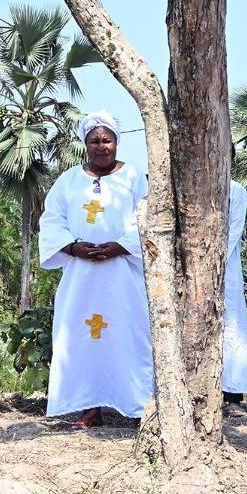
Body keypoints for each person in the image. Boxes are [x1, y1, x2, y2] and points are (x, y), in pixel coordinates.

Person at [37, 112, 154, 427]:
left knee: (128, 335)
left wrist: (121, 245)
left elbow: (148, 218)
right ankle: (89, 406)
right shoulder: (69, 180)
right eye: (94, 141)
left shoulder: (134, 178)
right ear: (85, 144)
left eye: (107, 140)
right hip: (81, 276)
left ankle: (137, 405)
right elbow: (51, 219)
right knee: (81, 337)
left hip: (123, 272)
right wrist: (73, 247)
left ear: (117, 142)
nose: (101, 146)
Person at [223, 165, 247, 411]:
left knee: (231, 329)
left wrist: (211, 257)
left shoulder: (236, 191)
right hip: (192, 268)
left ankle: (233, 396)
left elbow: (233, 231)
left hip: (226, 267)